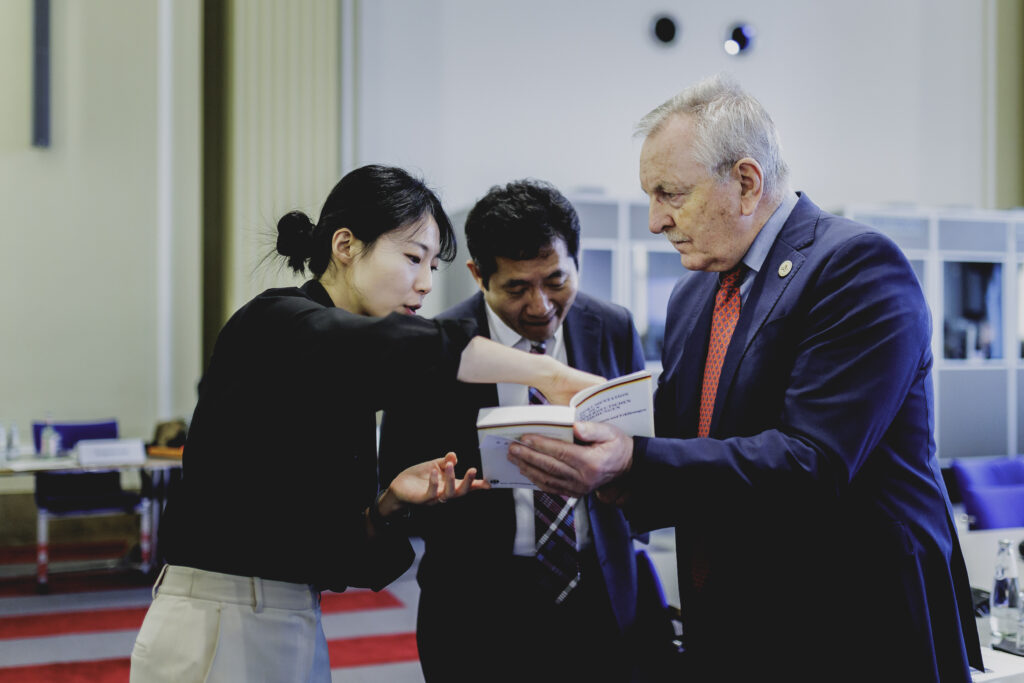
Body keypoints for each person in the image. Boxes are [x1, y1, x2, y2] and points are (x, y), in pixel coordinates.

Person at [507, 75, 984, 681]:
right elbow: (685, 435)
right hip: (731, 618)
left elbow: (812, 461)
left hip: (852, 623)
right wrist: (591, 430)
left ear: (747, 182)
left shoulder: (855, 266)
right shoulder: (693, 293)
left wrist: (632, 460)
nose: (656, 220)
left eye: (669, 194)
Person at [129, 165, 602, 683]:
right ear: (346, 245)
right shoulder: (277, 322)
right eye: (412, 258)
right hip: (222, 619)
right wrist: (548, 372)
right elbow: (402, 347)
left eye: (431, 267)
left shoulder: (343, 372)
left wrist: (388, 504)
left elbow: (333, 553)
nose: (424, 284)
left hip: (285, 614)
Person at [379, 179, 657, 682]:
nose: (540, 306)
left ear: (576, 261)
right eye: (516, 288)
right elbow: (396, 477)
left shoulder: (612, 327)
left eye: (556, 280)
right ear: (478, 275)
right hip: (477, 605)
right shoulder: (434, 348)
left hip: (601, 591)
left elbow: (641, 450)